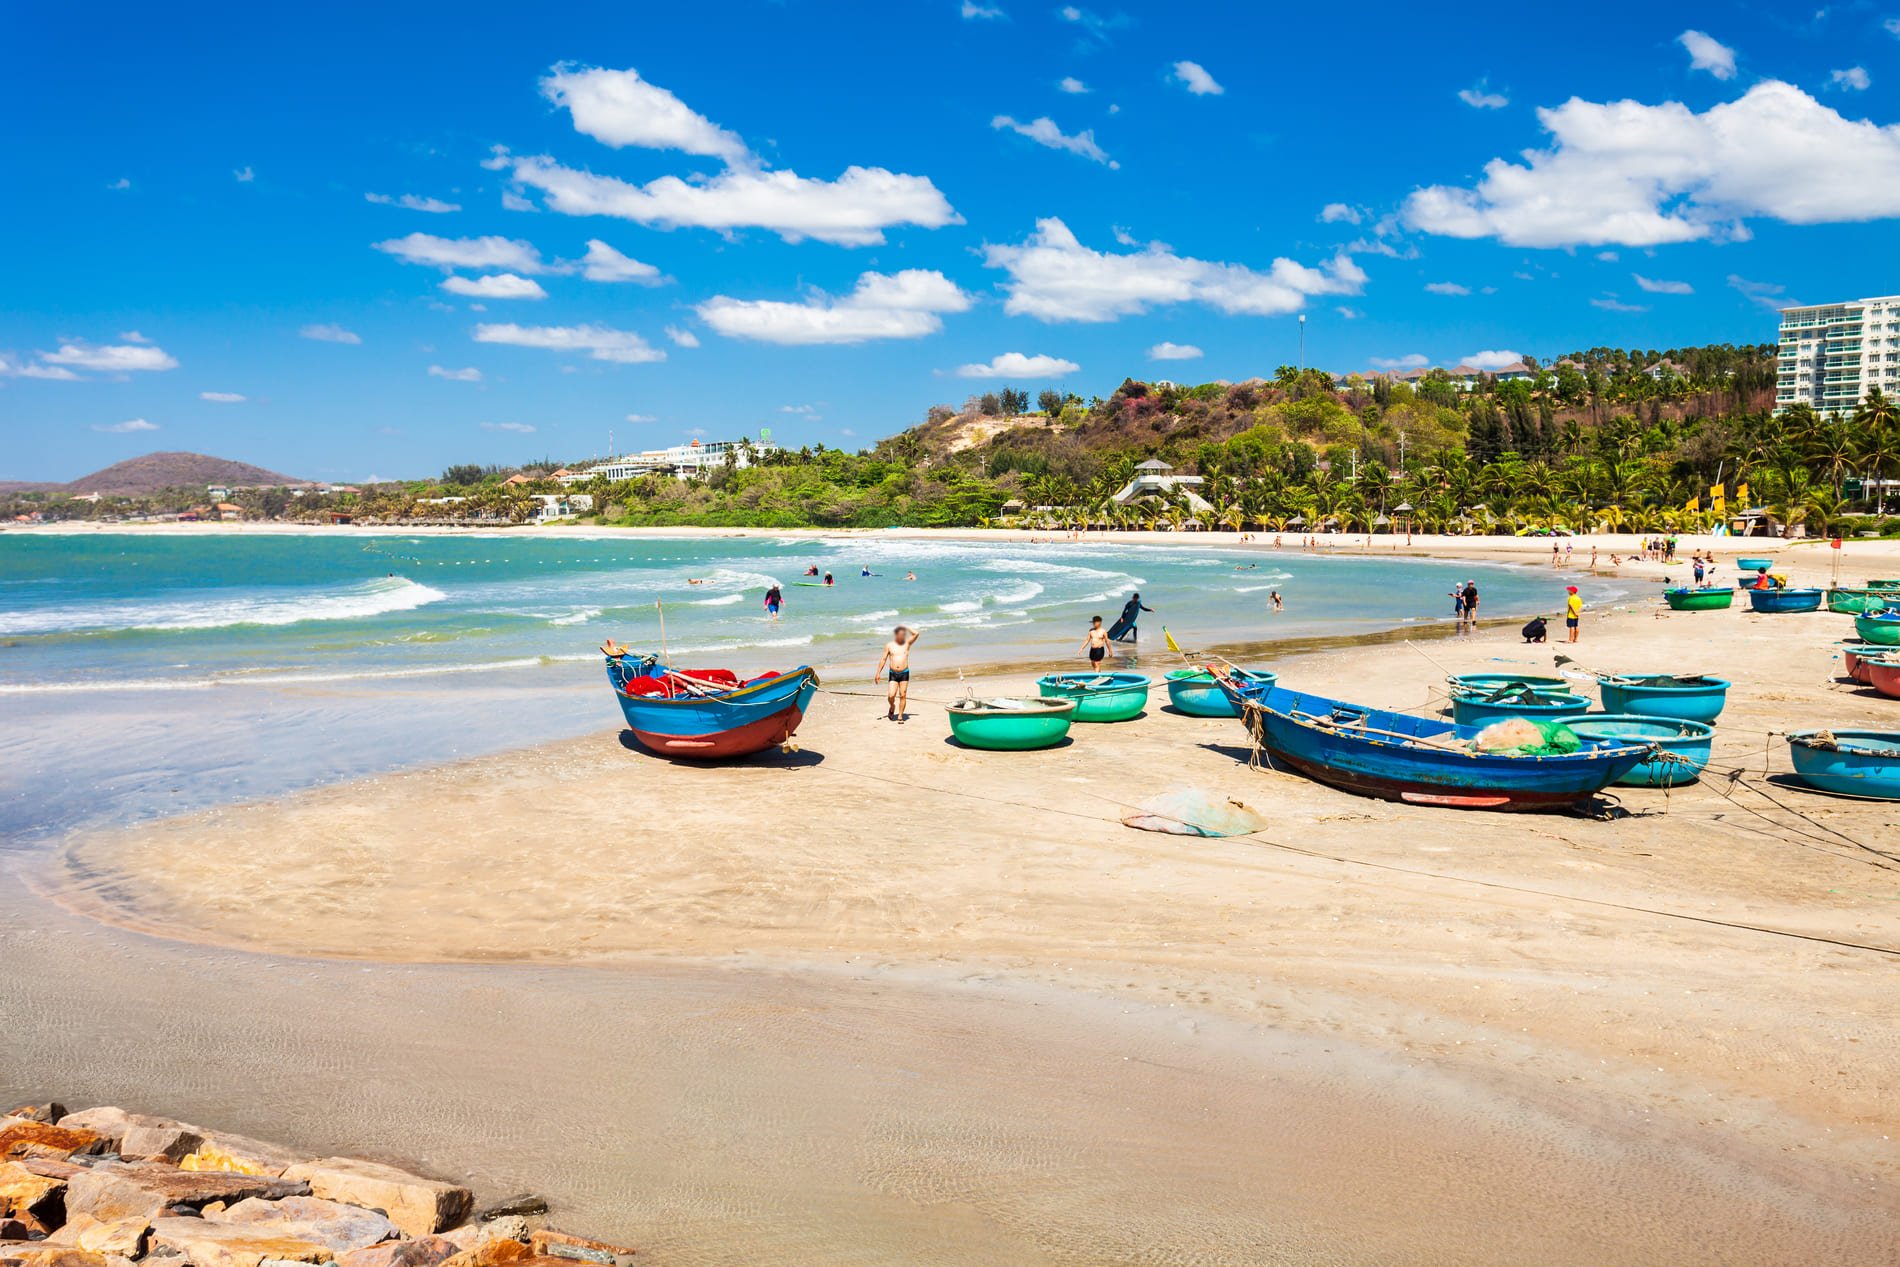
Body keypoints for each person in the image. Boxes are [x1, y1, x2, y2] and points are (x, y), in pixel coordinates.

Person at [875, 625, 920, 722]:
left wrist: (905, 626)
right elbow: (883, 659)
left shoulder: (907, 643)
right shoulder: (889, 645)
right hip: (893, 673)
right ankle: (892, 706)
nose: (901, 636)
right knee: (891, 695)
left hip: (904, 673)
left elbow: (916, 633)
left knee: (903, 695)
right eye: (900, 634)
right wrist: (878, 673)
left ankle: (900, 716)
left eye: (903, 634)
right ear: (896, 635)